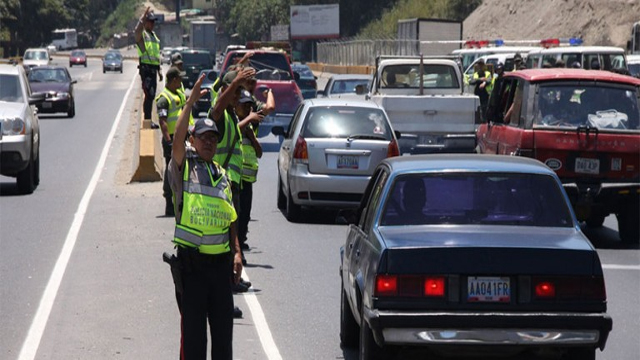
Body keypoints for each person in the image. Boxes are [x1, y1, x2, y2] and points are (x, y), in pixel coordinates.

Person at [168, 73, 243, 359]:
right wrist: (189, 103)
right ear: (193, 139)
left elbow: (230, 218)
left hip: (220, 271)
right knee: (195, 346)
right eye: (203, 137)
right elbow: (176, 142)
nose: (209, 143)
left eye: (213, 138)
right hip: (193, 270)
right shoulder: (183, 167)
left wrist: (237, 253)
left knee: (223, 344)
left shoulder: (222, 176)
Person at [209, 68, 263, 266]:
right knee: (228, 231)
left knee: (234, 230)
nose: (239, 96)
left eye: (240, 92)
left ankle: (233, 271)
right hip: (225, 183)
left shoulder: (232, 116)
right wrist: (234, 84)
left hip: (233, 184)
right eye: (236, 92)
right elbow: (215, 109)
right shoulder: (221, 115)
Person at [156, 67, 186, 216]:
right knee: (171, 172)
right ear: (174, 80)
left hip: (182, 138)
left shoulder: (179, 94)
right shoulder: (164, 98)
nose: (181, 81)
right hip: (172, 139)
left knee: (183, 171)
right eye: (180, 79)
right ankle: (169, 203)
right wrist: (168, 141)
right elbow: (162, 121)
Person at [236, 90, 263, 253]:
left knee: (245, 215)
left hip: (247, 180)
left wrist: (253, 138)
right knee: (236, 216)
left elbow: (259, 153)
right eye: (243, 105)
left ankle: (241, 240)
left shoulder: (251, 126)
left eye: (249, 106)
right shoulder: (231, 121)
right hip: (233, 178)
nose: (246, 108)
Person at [135, 7, 162, 120]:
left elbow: (156, 55)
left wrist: (159, 70)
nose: (152, 24)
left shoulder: (154, 37)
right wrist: (142, 18)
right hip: (146, 69)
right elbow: (137, 31)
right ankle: (147, 119)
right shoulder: (143, 36)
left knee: (152, 96)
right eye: (150, 22)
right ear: (146, 22)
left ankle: (149, 119)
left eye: (153, 22)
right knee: (149, 95)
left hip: (153, 70)